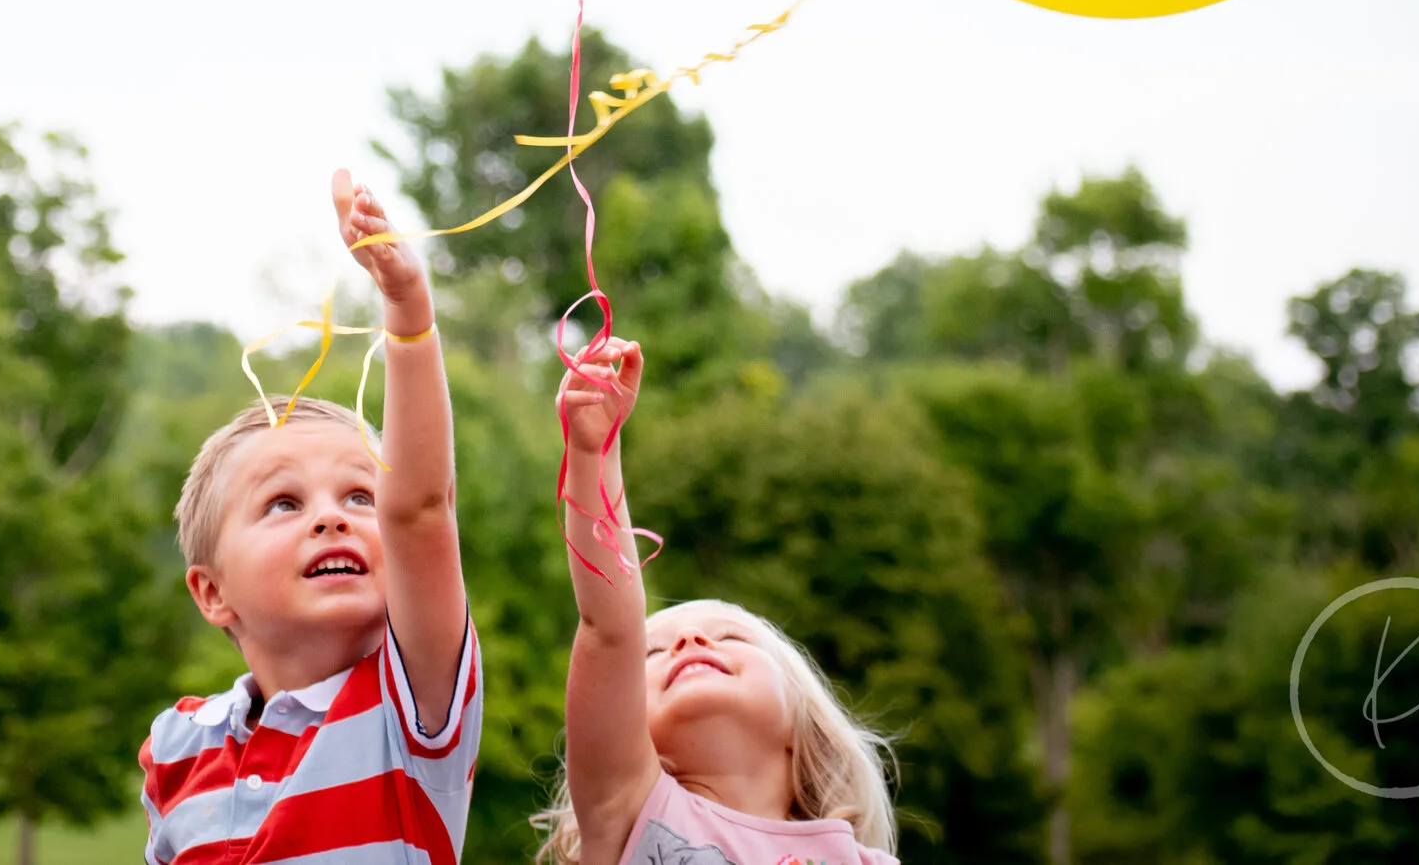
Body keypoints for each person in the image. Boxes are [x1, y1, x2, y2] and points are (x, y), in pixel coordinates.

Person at [140, 172, 479, 865]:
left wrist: (407, 311)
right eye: (284, 503)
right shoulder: (179, 745)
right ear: (212, 592)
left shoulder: (411, 709)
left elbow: (419, 510)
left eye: (360, 496)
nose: (333, 518)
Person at [538, 337, 898, 865]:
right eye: (653, 654)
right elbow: (610, 629)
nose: (689, 640)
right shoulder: (634, 813)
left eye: (731, 637)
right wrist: (594, 452)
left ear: (804, 726)